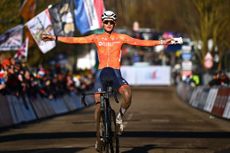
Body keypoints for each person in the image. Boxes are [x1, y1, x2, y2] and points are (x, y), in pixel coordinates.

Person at [41, 10, 173, 151]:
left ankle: (119, 117)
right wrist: (54, 38)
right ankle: (98, 137)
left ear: (114, 23)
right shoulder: (96, 37)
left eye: (111, 22)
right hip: (101, 75)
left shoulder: (121, 37)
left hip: (115, 74)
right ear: (103, 23)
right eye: (106, 22)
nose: (109, 24)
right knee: (98, 107)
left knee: (128, 95)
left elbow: (141, 42)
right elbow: (76, 40)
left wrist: (162, 42)